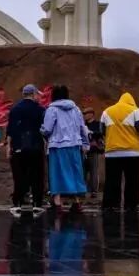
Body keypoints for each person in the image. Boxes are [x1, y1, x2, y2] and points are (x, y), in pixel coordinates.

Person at [100, 92, 139, 212]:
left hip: (112, 152)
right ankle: (131, 205)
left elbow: (102, 130)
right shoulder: (136, 111)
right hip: (132, 152)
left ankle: (111, 204)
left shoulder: (107, 111)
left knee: (112, 180)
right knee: (132, 180)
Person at [42, 85, 90, 213]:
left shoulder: (52, 109)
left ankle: (57, 203)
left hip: (58, 145)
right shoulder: (76, 109)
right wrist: (85, 144)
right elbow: (82, 128)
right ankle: (76, 202)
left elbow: (47, 129)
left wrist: (42, 131)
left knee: (57, 173)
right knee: (75, 173)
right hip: (74, 145)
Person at [6, 84, 46, 216]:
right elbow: (45, 129)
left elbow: (10, 130)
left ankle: (17, 203)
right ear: (33, 94)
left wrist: (8, 147)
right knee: (37, 176)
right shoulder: (40, 109)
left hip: (18, 147)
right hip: (36, 147)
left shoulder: (15, 109)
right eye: (37, 94)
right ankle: (37, 204)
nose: (38, 97)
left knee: (19, 176)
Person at [82, 107, 104, 199]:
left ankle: (94, 191)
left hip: (93, 151)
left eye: (85, 113)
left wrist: (91, 133)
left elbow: (100, 134)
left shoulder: (98, 124)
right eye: (83, 114)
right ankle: (82, 190)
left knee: (93, 171)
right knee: (83, 171)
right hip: (83, 151)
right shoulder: (83, 125)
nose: (84, 115)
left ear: (91, 114)